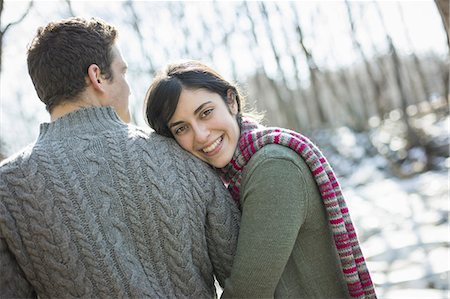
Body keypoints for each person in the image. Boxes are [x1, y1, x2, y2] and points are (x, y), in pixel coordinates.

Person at [0, 18, 240, 298]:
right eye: (123, 72)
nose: (129, 88)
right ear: (97, 77)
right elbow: (245, 275)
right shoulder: (184, 156)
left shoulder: (8, 190)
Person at [144, 60, 378, 299]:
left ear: (231, 102)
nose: (201, 135)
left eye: (206, 113)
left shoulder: (273, 166)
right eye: (181, 128)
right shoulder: (234, 176)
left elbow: (247, 294)